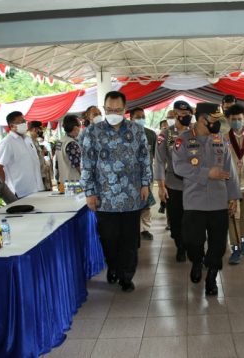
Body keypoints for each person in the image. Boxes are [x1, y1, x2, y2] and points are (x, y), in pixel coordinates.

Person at [81, 91, 151, 292]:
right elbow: (87, 165)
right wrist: (89, 192)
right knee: (109, 238)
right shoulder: (92, 133)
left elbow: (145, 159)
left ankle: (126, 276)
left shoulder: (137, 131)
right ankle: (113, 266)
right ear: (104, 109)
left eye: (117, 110)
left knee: (129, 240)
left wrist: (145, 184)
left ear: (125, 110)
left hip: (131, 196)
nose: (113, 113)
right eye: (109, 109)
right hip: (104, 198)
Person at [172, 102, 241, 295]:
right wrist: (206, 173)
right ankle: (196, 261)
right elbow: (178, 167)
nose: (217, 123)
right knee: (192, 241)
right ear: (202, 119)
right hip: (194, 201)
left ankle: (211, 275)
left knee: (218, 244)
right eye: (213, 119)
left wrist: (233, 196)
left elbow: (230, 170)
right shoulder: (182, 140)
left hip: (219, 201)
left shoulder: (220, 140)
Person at [154, 100, 193, 262]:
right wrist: (161, 187)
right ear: (175, 114)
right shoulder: (167, 134)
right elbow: (160, 161)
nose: (184, 117)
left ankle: (192, 247)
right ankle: (180, 246)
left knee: (193, 219)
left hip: (194, 185)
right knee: (177, 220)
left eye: (187, 114)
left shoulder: (196, 132)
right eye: (181, 114)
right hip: (174, 185)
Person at [224, 103, 244, 264]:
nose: (236, 122)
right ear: (228, 120)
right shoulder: (223, 139)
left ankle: (242, 240)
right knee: (233, 216)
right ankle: (235, 249)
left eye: (239, 119)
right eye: (233, 119)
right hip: (231, 185)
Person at [0, 111, 45, 198]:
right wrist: (3, 189)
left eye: (24, 121)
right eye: (20, 122)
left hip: (37, 187)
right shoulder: (7, 142)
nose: (24, 124)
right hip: (21, 191)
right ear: (11, 126)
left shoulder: (28, 139)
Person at [130, 107, 157, 241]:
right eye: (138, 117)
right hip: (130, 178)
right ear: (131, 118)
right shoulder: (125, 133)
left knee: (146, 204)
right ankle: (134, 229)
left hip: (147, 176)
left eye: (143, 116)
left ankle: (145, 229)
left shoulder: (151, 134)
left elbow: (156, 156)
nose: (141, 119)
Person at [56, 115, 82, 185]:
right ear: (75, 128)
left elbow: (56, 163)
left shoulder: (60, 141)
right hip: (73, 182)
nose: (80, 129)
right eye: (79, 126)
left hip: (62, 181)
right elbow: (78, 165)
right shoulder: (71, 143)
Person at [27, 121, 53, 190]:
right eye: (40, 129)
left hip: (43, 172)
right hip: (38, 174)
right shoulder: (28, 141)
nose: (41, 131)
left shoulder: (35, 140)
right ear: (35, 129)